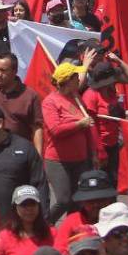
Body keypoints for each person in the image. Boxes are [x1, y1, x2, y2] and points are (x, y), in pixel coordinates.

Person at [41, 62, 96, 223]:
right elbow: (55, 130)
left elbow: (88, 130)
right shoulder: (50, 102)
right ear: (67, 80)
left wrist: (93, 153)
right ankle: (45, 226)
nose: (79, 79)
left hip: (80, 159)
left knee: (78, 201)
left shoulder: (76, 97)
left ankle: (71, 231)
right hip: (58, 160)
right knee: (63, 200)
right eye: (75, 76)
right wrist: (80, 124)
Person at [0, 52, 44, 149]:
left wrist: (38, 157)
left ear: (15, 71)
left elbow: (37, 128)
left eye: (3, 70)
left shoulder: (30, 95)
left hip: (18, 153)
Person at [0, 185, 56, 255]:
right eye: (23, 205)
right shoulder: (3, 237)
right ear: (15, 208)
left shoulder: (52, 233)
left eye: (33, 204)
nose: (29, 208)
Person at [53, 170, 116, 253]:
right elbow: (58, 251)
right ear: (82, 202)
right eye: (90, 201)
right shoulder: (72, 221)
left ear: (109, 199)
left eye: (101, 199)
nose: (96, 205)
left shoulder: (119, 219)